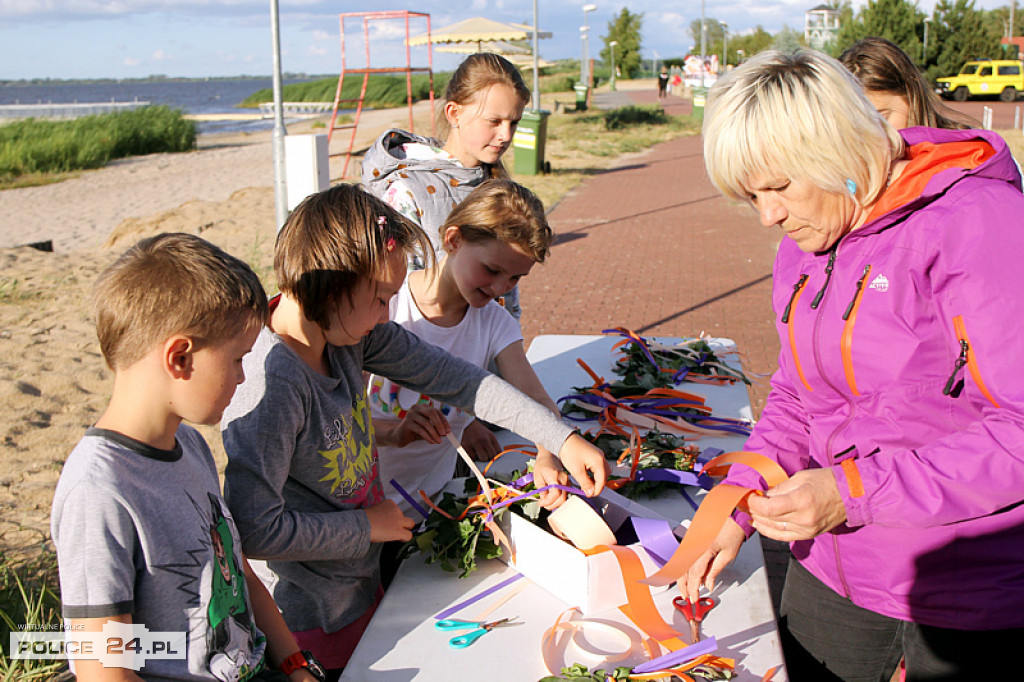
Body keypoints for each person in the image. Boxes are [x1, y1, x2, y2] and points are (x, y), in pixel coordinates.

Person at [693, 49, 1024, 681]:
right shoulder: (809, 242)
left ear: (839, 148)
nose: (769, 215)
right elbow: (796, 396)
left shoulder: (980, 225)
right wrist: (738, 500)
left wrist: (851, 493)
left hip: (966, 593)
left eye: (781, 186)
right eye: (751, 195)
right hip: (834, 566)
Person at [221, 183, 608, 680]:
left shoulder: (349, 334)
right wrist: (369, 527)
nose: (388, 314)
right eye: (381, 298)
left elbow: (462, 381)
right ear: (333, 285)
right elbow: (253, 530)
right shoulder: (271, 385)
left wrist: (561, 438)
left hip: (362, 587)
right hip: (306, 621)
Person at [51, 234, 324, 682]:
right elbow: (103, 671)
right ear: (179, 357)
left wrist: (296, 665)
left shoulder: (190, 445)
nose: (242, 377)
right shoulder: (97, 491)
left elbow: (237, 573)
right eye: (237, 359)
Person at [368, 178, 564, 519]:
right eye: (491, 269)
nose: (501, 287)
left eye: (516, 278)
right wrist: (396, 434)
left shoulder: (495, 323)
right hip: (369, 514)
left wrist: (550, 453)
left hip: (433, 510)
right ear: (454, 239)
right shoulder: (386, 306)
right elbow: (337, 423)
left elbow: (540, 404)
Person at [361, 52, 530, 319]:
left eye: (514, 123)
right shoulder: (407, 191)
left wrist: (508, 343)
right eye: (494, 122)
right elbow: (395, 296)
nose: (506, 135)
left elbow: (508, 298)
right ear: (454, 113)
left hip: (491, 353)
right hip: (424, 350)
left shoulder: (499, 188)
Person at [840, 36, 977, 130]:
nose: (873, 135)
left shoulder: (966, 155)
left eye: (882, 119)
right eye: (857, 125)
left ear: (911, 95)